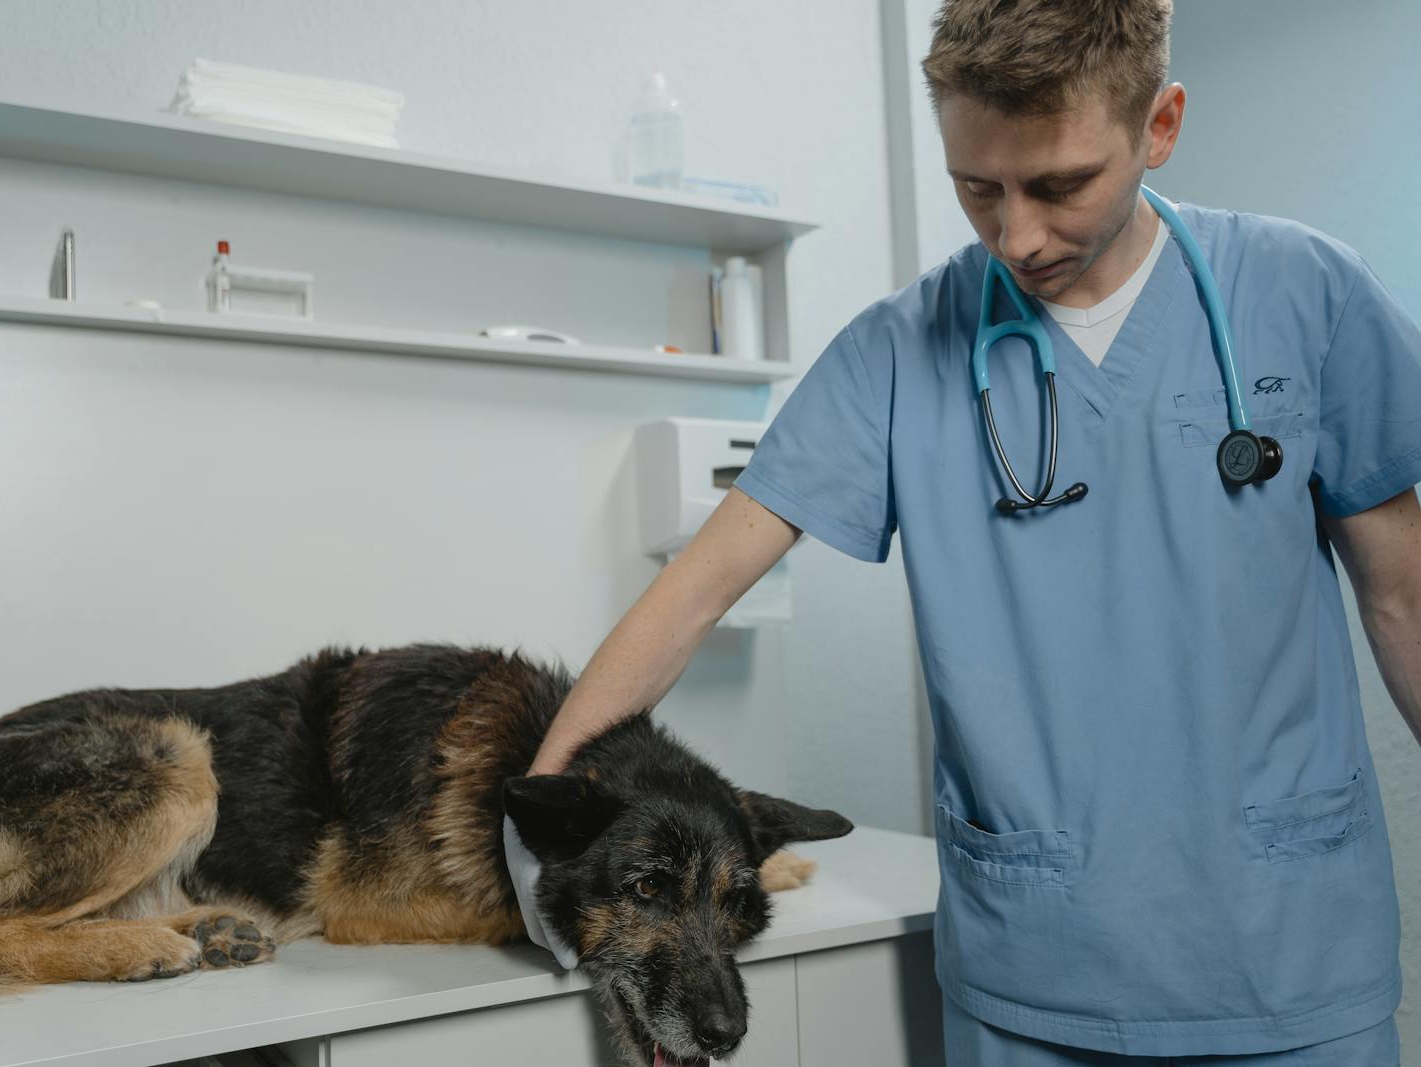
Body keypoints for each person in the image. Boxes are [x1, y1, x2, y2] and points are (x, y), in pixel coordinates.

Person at [508, 0, 1421, 1061]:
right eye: (976, 187)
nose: (1016, 235)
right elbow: (699, 586)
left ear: (1159, 124)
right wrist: (536, 831)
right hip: (1032, 973)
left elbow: (1401, 594)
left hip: (1289, 959)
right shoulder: (898, 352)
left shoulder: (1305, 296)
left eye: (1058, 184)